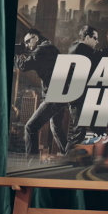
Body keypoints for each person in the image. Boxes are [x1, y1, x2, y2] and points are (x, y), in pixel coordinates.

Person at [16, 29, 67, 159]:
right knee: (56, 128)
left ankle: (31, 162)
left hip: (54, 95)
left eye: (28, 41)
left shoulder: (41, 50)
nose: (27, 45)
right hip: (61, 94)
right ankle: (70, 156)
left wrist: (17, 55)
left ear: (36, 38)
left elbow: (24, 66)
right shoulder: (51, 48)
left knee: (30, 127)